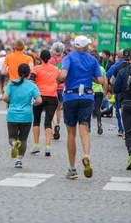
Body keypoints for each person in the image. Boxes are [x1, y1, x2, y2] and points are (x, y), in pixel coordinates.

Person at [56, 35, 105, 180]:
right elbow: (101, 80)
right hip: (87, 97)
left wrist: (58, 78)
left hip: (71, 96)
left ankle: (72, 169)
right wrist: (91, 77)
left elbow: (63, 75)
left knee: (71, 134)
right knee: (84, 129)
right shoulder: (93, 59)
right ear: (85, 47)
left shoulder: (69, 57)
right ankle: (86, 155)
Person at [3, 63, 42, 168]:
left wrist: (11, 102)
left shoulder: (11, 84)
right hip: (26, 115)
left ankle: (14, 143)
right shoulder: (32, 85)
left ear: (18, 72)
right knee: (23, 139)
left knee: (12, 137)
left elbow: (4, 97)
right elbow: (39, 100)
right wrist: (32, 104)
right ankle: (19, 161)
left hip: (12, 115)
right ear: (29, 74)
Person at [29, 50, 59, 156]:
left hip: (39, 97)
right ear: (50, 58)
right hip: (52, 97)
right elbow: (60, 81)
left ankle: (36, 145)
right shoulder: (56, 69)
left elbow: (31, 81)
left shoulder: (36, 69)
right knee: (48, 122)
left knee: (36, 121)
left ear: (40, 58)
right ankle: (47, 147)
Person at [48, 42, 65, 140]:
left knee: (52, 109)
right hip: (62, 87)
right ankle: (57, 127)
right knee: (59, 109)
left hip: (52, 87)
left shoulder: (50, 61)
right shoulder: (65, 61)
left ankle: (55, 124)